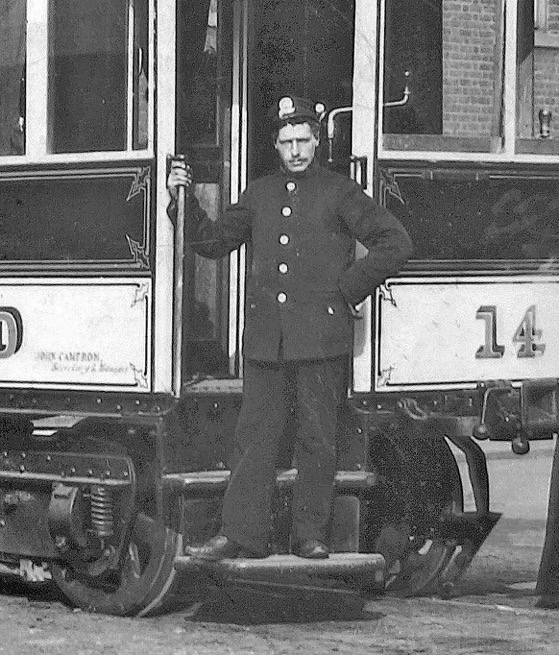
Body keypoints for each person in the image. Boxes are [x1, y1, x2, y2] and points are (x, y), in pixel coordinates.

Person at [167, 95, 412, 561]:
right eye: (286, 142)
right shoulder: (259, 193)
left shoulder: (340, 192)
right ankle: (240, 534)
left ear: (317, 141)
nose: (295, 150)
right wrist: (183, 198)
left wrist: (346, 290)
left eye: (303, 140)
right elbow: (215, 243)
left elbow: (394, 242)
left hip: (321, 340)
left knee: (317, 439)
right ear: (275, 146)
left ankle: (310, 536)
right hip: (266, 343)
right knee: (254, 437)